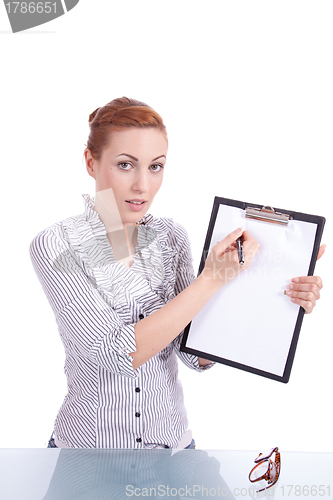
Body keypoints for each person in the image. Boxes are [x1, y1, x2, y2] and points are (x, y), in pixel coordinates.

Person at [30, 97, 325, 449]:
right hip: (88, 454)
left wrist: (274, 292)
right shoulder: (57, 245)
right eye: (125, 165)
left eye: (156, 167)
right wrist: (212, 278)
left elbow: (194, 352)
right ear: (91, 162)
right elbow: (117, 354)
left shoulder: (171, 237)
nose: (143, 185)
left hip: (173, 448)